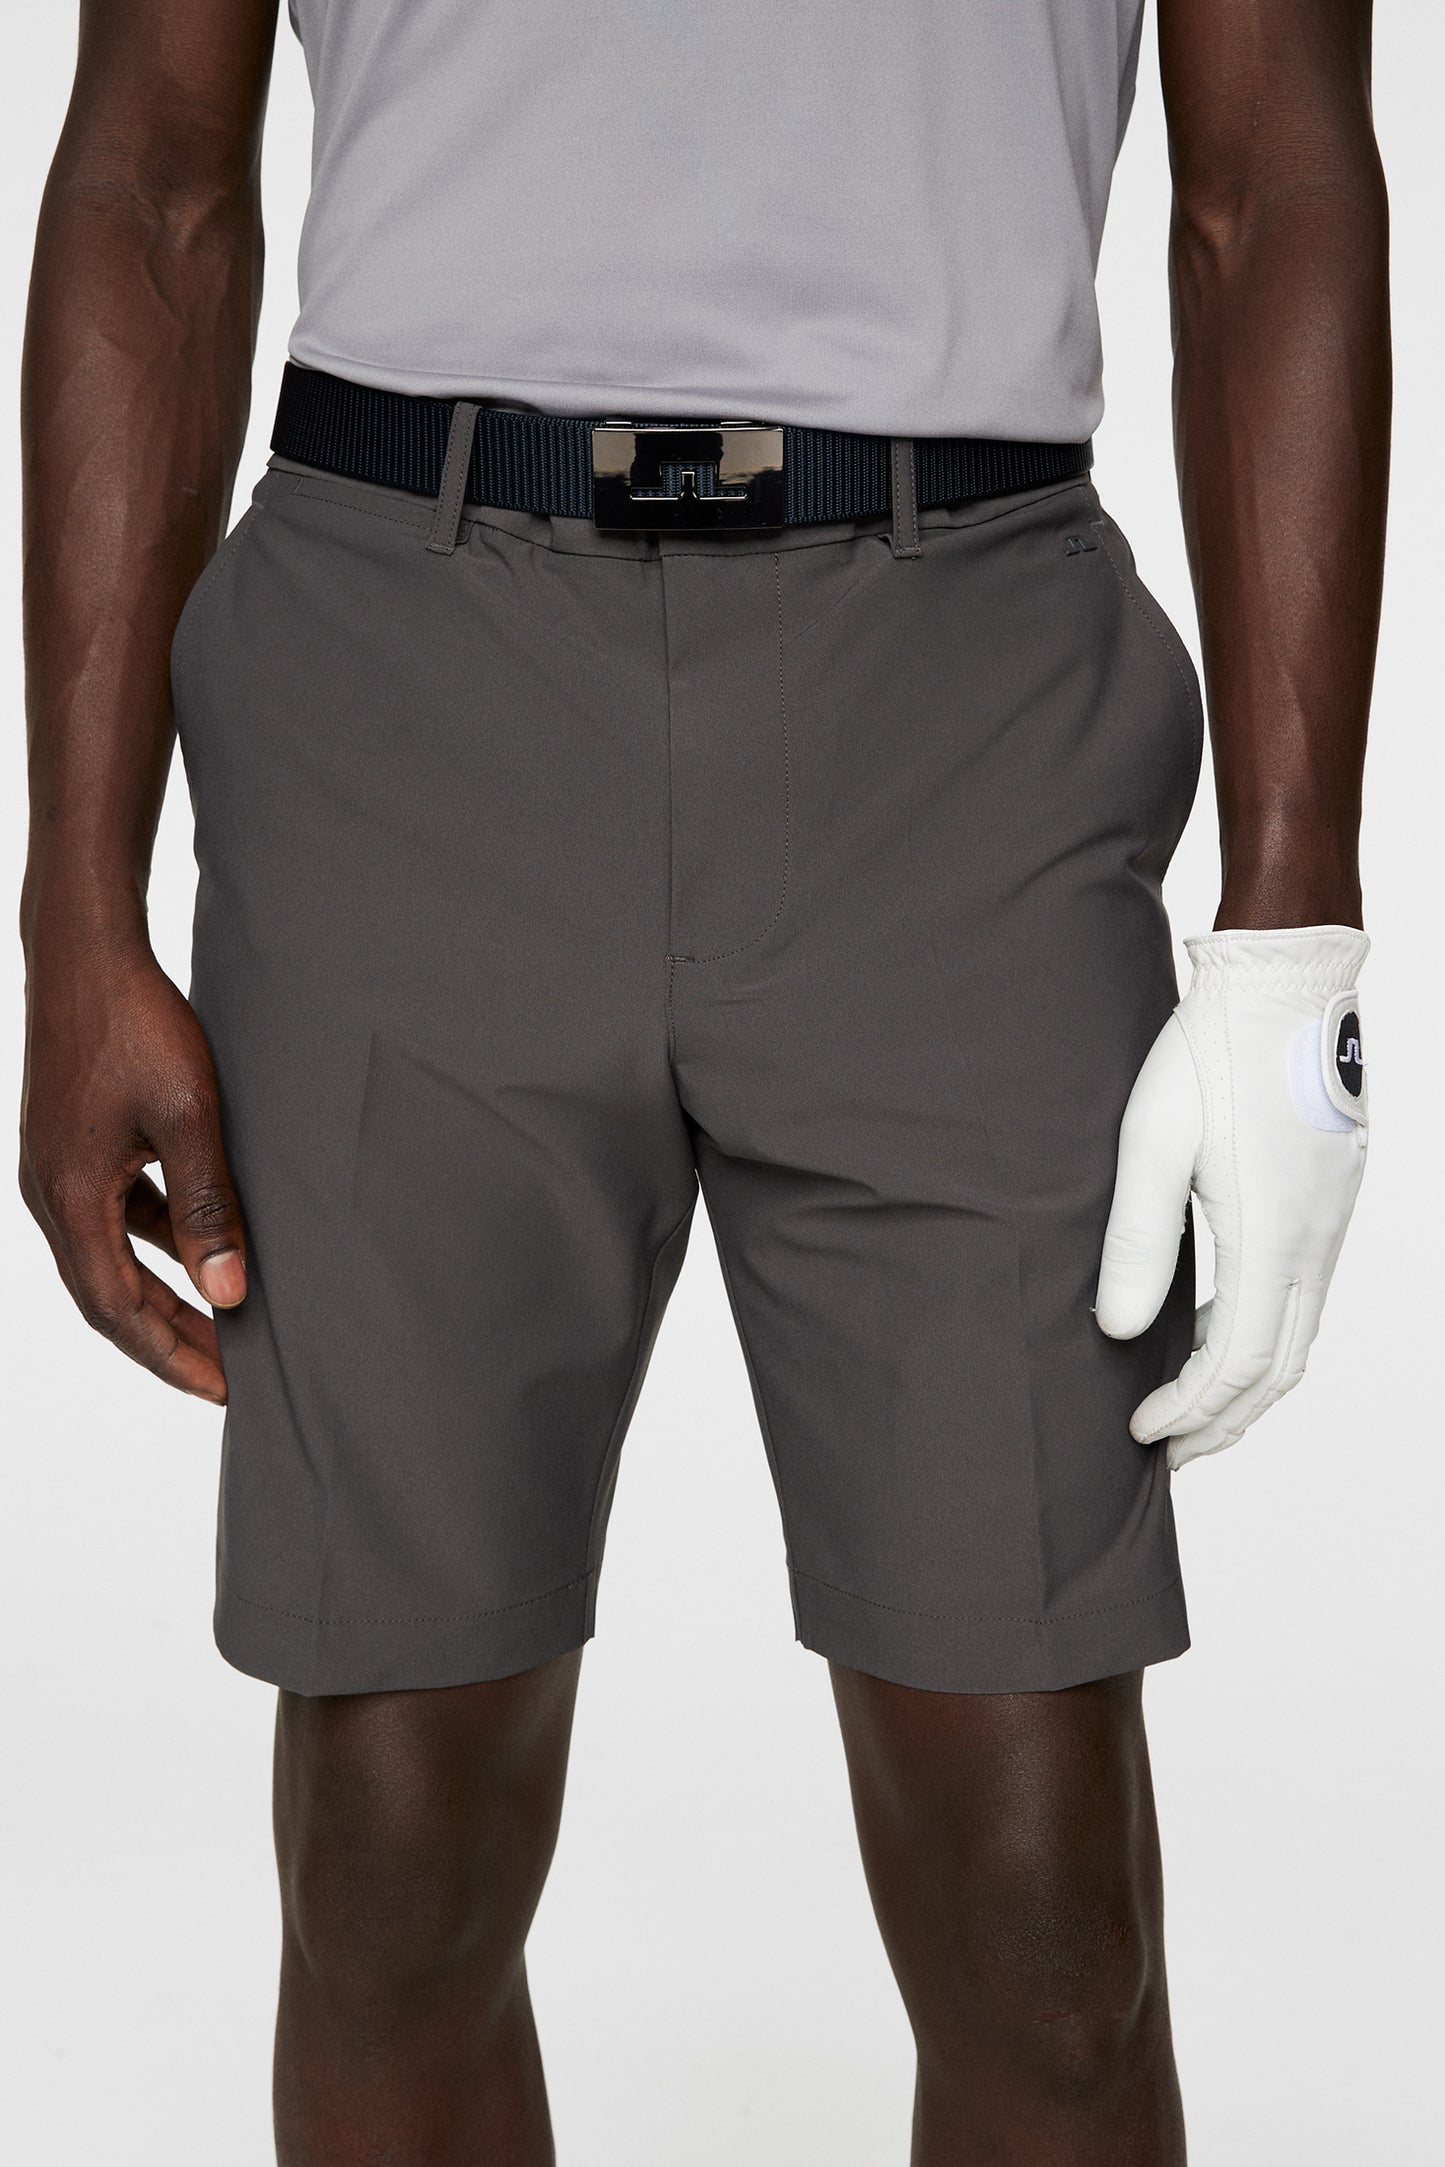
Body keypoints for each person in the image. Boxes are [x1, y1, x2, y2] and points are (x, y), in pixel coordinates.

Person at [17, 1, 1388, 2160]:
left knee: (1042, 1910)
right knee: (389, 1857)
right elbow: (153, 182)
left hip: (962, 708)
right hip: (401, 686)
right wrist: (75, 915)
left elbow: (1273, 184)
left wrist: (1297, 926)